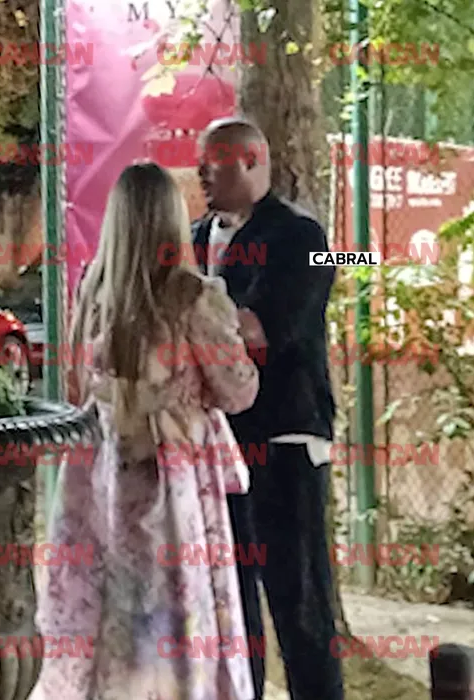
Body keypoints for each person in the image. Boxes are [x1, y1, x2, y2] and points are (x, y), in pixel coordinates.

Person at [29, 163, 261, 700]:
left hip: (98, 470)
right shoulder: (192, 296)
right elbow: (239, 391)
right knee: (173, 608)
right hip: (172, 475)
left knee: (102, 598)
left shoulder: (94, 287)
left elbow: (78, 382)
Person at [192, 117, 344, 700]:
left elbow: (264, 332)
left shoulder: (303, 239)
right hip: (217, 448)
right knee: (232, 605)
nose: (202, 173)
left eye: (214, 161)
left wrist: (194, 323)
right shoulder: (193, 237)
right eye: (199, 162)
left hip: (285, 441)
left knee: (299, 600)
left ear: (253, 160)